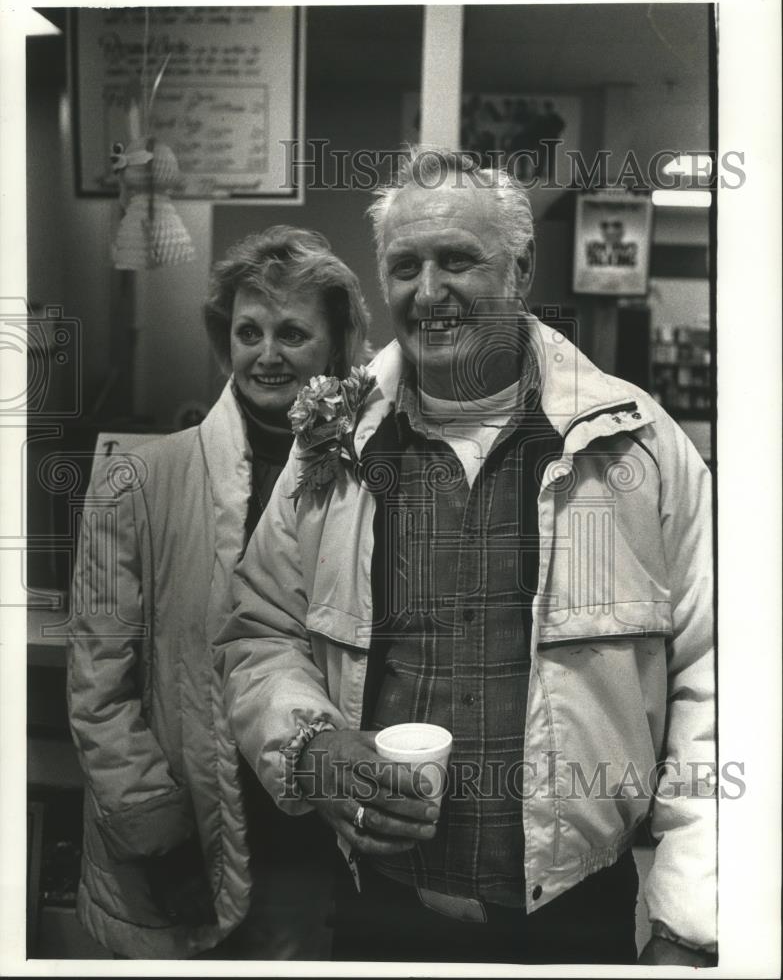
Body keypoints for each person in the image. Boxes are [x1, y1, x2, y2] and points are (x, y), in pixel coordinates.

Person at [214, 148, 717, 966]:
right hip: (375, 909)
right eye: (405, 266)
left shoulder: (636, 447)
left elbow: (715, 682)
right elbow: (257, 632)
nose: (429, 291)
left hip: (577, 920)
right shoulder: (333, 450)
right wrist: (312, 748)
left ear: (517, 269)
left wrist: (688, 922)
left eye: (458, 261)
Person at [66, 226, 371, 959]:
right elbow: (98, 683)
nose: (267, 354)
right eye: (248, 331)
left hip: (304, 846)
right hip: (175, 847)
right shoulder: (137, 479)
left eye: (293, 332)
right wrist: (154, 831)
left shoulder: (369, 478)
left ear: (336, 346)